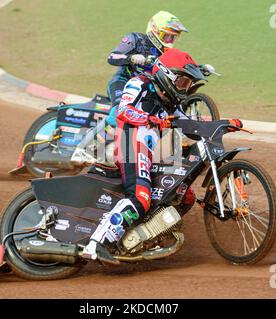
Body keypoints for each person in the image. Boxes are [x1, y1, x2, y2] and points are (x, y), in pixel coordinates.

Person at [83, 48, 205, 264]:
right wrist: (150, 119)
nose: (184, 88)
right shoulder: (140, 83)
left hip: (150, 153)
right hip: (130, 144)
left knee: (184, 195)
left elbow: (189, 125)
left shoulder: (171, 103)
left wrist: (223, 125)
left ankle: (148, 235)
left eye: (187, 84)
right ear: (168, 74)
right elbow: (123, 110)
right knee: (141, 197)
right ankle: (96, 244)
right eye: (182, 82)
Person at [105, 11, 188, 126]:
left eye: (173, 38)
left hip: (148, 90)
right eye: (167, 36)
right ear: (155, 30)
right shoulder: (136, 39)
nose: (169, 41)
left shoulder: (168, 54)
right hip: (123, 82)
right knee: (116, 117)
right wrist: (132, 58)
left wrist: (198, 69)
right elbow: (112, 57)